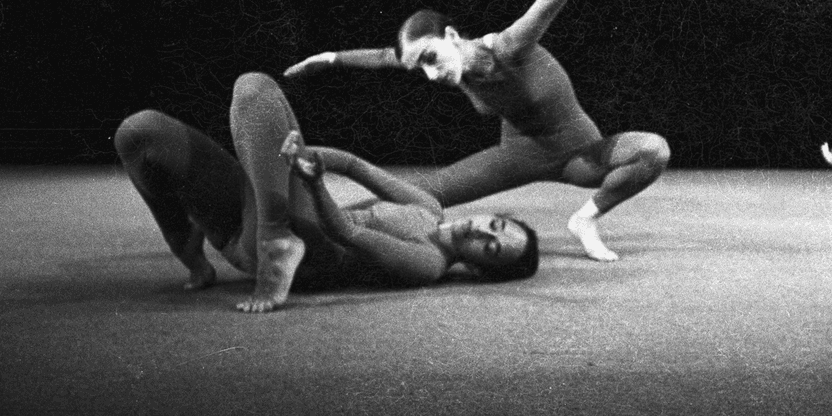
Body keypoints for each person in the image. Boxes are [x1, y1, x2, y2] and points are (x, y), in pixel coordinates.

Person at [284, 0, 701, 262]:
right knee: (419, 194)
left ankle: (585, 220)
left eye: (430, 58)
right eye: (419, 69)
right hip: (518, 154)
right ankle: (304, 228)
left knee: (652, 150)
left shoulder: (510, 47)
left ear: (451, 35)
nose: (431, 75)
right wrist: (331, 58)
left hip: (580, 155)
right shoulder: (442, 65)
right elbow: (382, 57)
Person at [113, 71, 538, 313]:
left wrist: (312, 183)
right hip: (245, 228)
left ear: (479, 269)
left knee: (255, 89)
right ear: (492, 214)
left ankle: (275, 239)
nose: (484, 233)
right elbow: (353, 165)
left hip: (304, 239)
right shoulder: (427, 206)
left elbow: (345, 233)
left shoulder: (428, 263)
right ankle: (190, 253)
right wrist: (303, 157)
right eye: (496, 225)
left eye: (492, 248)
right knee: (141, 132)